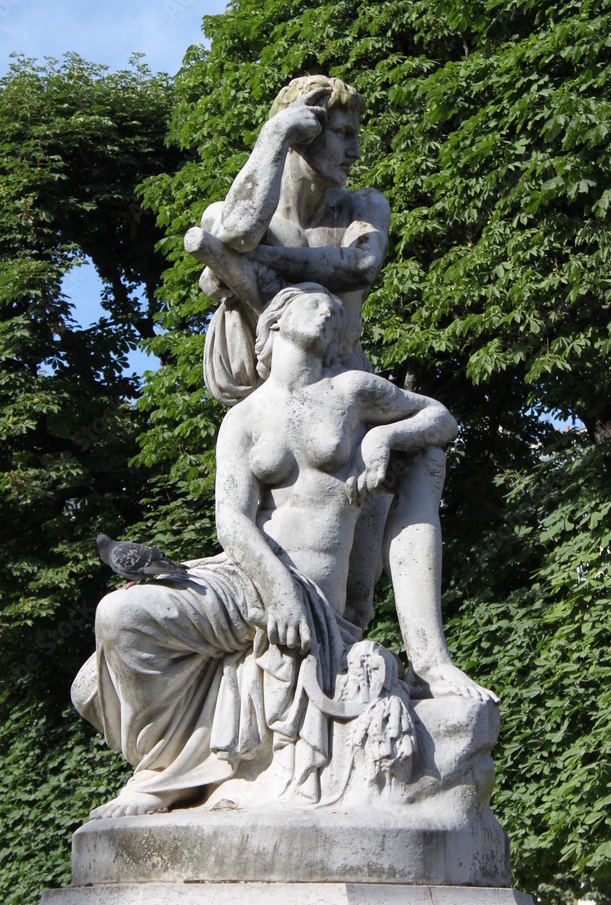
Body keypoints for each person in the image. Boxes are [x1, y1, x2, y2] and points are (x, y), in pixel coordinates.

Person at [73, 285, 492, 819]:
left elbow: (441, 420)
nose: (332, 310)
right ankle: (160, 772)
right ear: (274, 321)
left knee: (426, 453)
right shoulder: (244, 419)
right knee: (120, 613)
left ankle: (432, 660)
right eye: (315, 302)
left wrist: (385, 439)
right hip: (247, 575)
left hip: (319, 588)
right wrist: (278, 590)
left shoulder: (353, 392)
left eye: (337, 309)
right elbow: (231, 518)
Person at [186, 75, 485, 700]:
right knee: (289, 537)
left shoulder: (362, 209)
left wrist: (260, 265)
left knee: (415, 465)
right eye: (342, 134)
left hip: (347, 391)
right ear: (305, 132)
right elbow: (236, 230)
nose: (353, 151)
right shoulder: (237, 204)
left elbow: (359, 267)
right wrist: (273, 135)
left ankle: (430, 659)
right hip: (266, 397)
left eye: (355, 135)